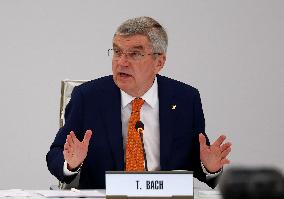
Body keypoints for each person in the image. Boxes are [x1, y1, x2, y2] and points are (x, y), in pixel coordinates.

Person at [46, 16, 232, 189]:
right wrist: (71, 163)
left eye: (134, 54)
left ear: (159, 62)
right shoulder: (88, 97)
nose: (122, 62)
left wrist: (210, 168)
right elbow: (55, 154)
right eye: (117, 52)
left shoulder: (185, 99)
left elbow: (199, 162)